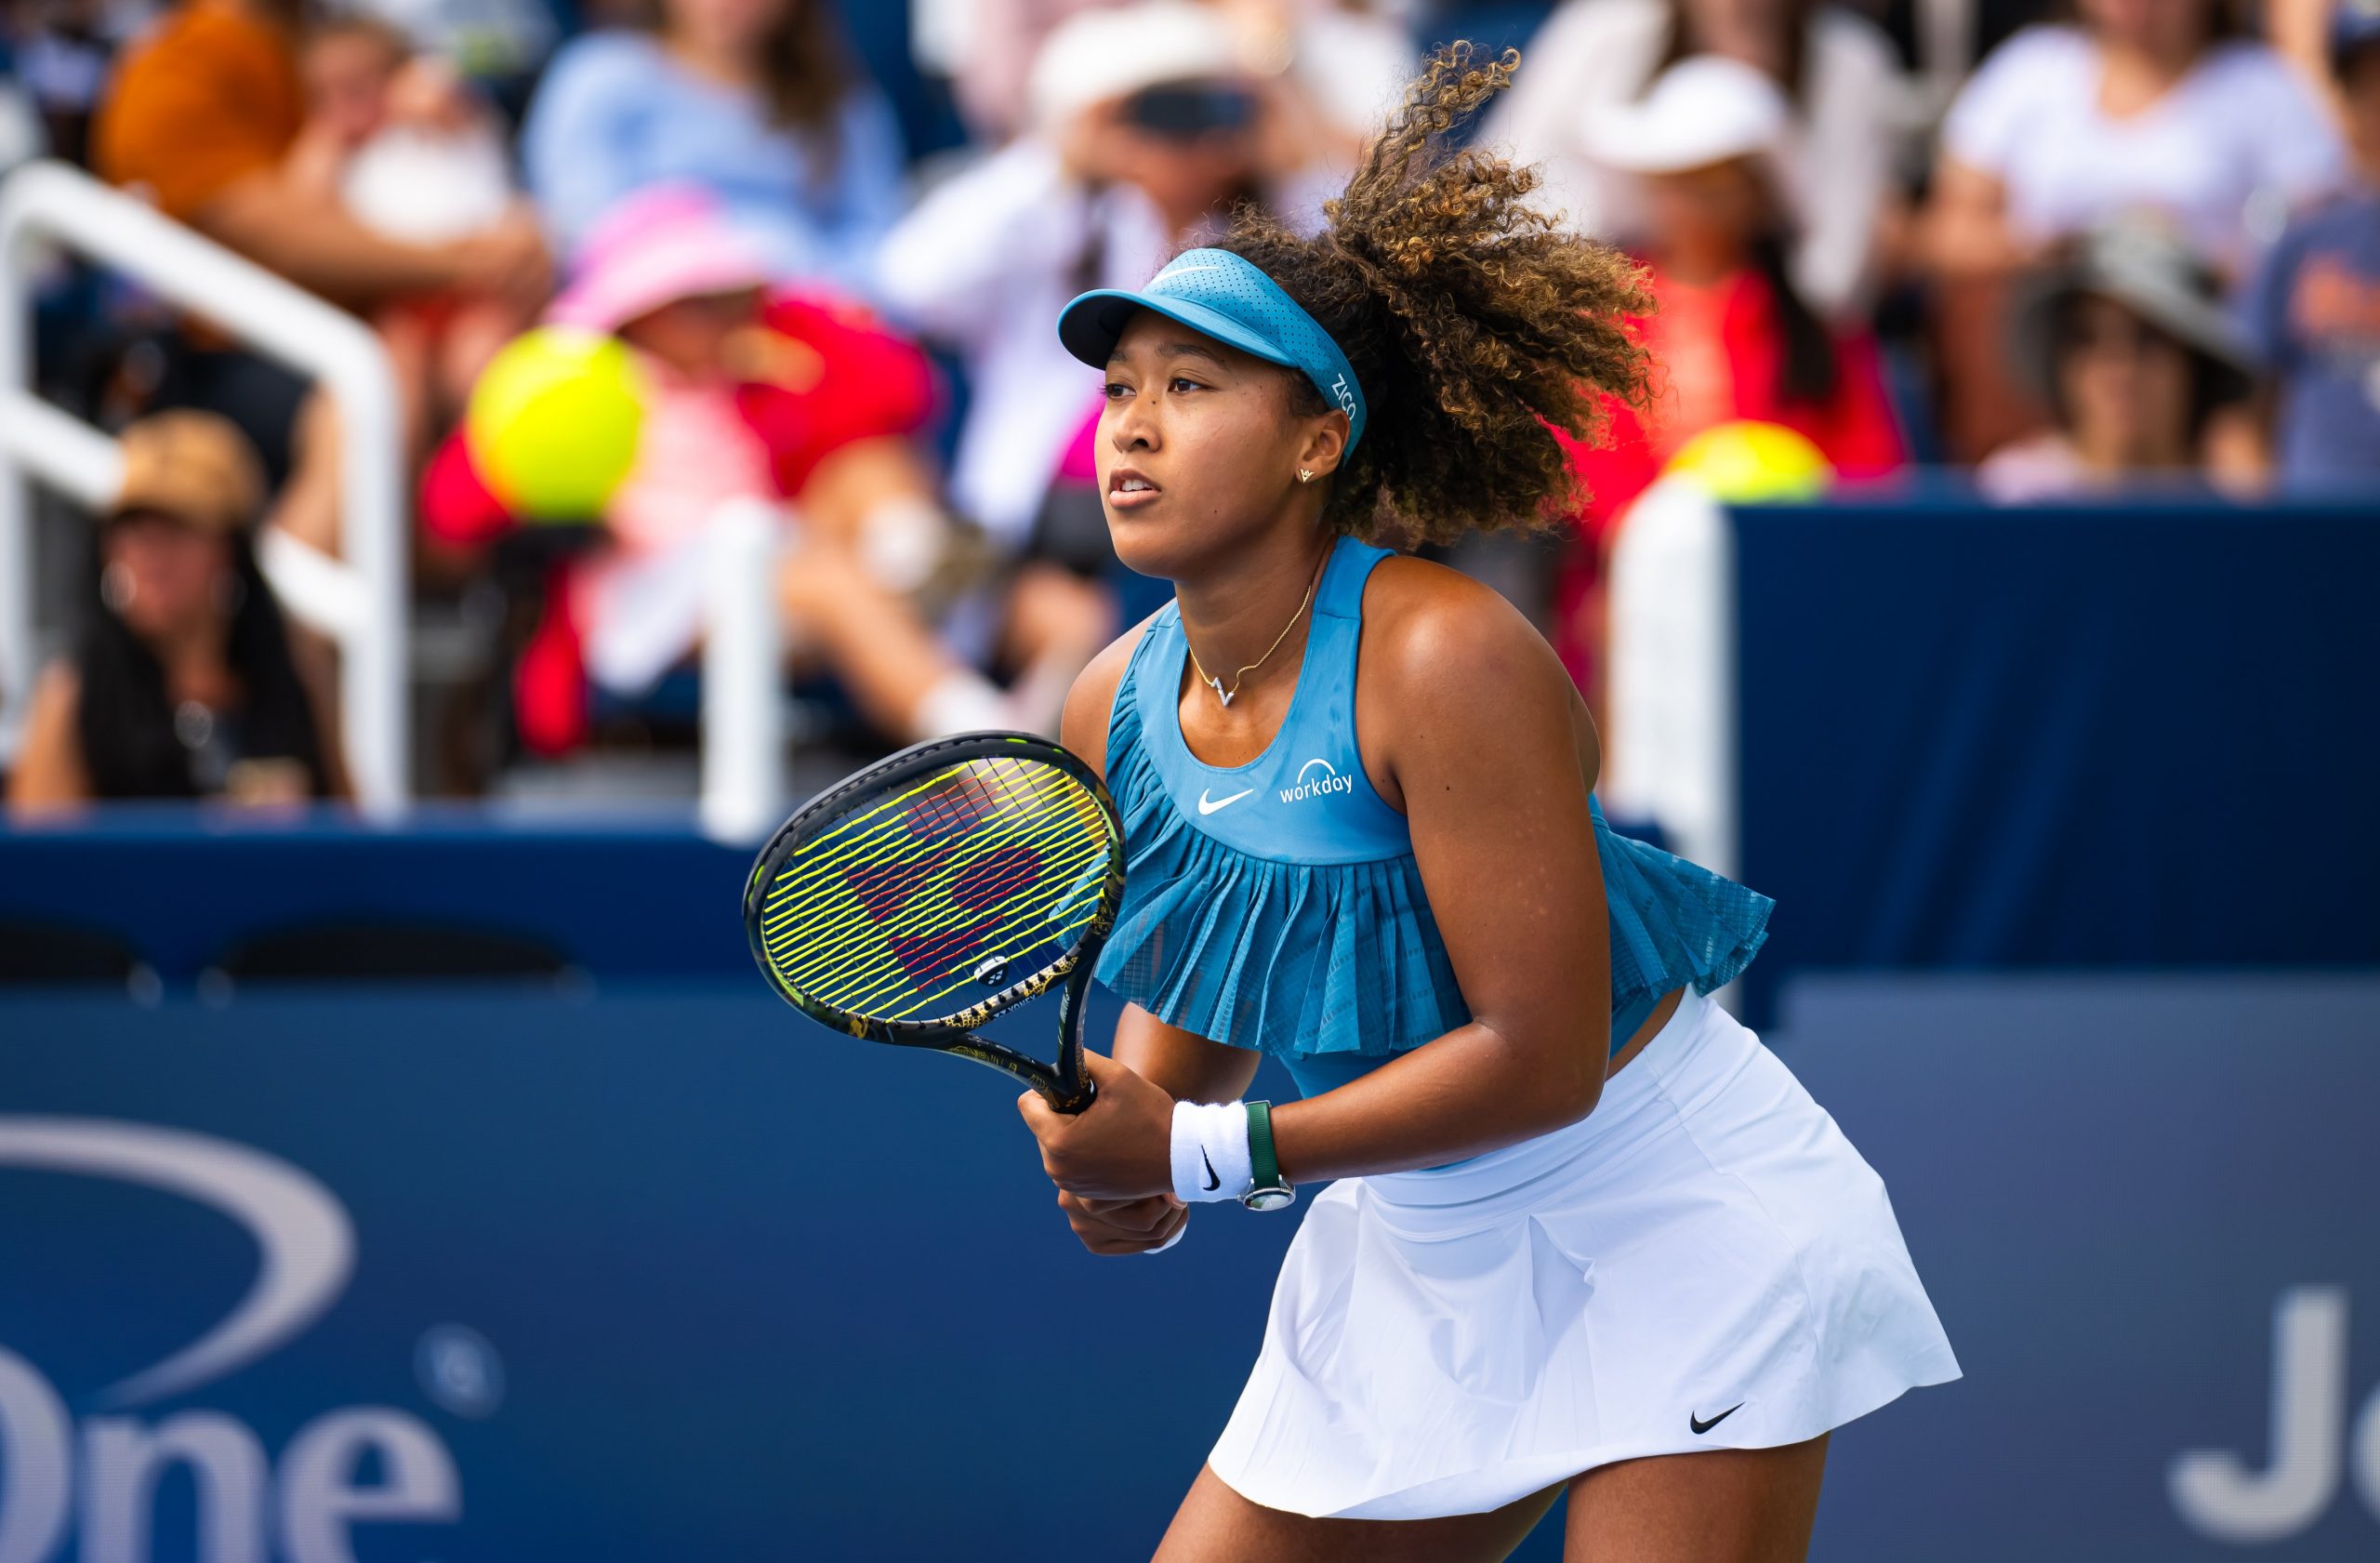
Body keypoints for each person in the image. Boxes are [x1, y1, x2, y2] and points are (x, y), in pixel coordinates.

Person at [1012, 46, 1959, 1560]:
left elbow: (1539, 1060)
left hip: (1676, 1221)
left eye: (1190, 387)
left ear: (1323, 440)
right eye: (1120, 388)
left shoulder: (1446, 657)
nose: (1131, 422)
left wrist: (1202, 1155)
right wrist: (1142, 1133)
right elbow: (1199, 993)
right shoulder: (1107, 702)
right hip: (1416, 1233)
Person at [1556, 55, 1904, 705]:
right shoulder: (1605, 314)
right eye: (1674, 180)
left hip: (1798, 597)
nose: (1688, 203)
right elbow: (1587, 467)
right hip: (1634, 602)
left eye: (1712, 182)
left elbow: (1871, 473)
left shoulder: (1816, 329)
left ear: (1758, 195)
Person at [1924, 0, 2345, 457]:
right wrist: (2061, 248)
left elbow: (2321, 252)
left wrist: (2199, 260)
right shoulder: (2030, 70)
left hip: (2213, 340)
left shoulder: (2263, 86)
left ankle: (2236, 499)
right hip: (2053, 324)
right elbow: (1944, 235)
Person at [1479, 0, 1908, 319]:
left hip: (1775, 345)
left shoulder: (1854, 63)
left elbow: (1835, 283)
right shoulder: (1599, 29)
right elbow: (1490, 203)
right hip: (1595, 317)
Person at [7, 411, 341, 814]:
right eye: (132, 530)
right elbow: (42, 866)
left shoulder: (296, 687)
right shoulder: (74, 702)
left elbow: (353, 847)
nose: (151, 557)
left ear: (229, 550)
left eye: (177, 530)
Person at [520, 0, 905, 300]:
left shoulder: (843, 104)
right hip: (652, 318)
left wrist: (800, 293)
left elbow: (874, 241)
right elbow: (582, 224)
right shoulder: (598, 74)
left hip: (807, 327)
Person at [1978, 221, 2253, 502]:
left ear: (2194, 364)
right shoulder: (2015, 495)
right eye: (2086, 339)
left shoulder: (2234, 499)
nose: (2119, 370)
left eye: (2148, 339)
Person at [2239, 1, 2380, 494]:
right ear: (2345, 100)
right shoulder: (2303, 237)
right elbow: (2240, 415)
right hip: (2316, 528)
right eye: (2369, 84)